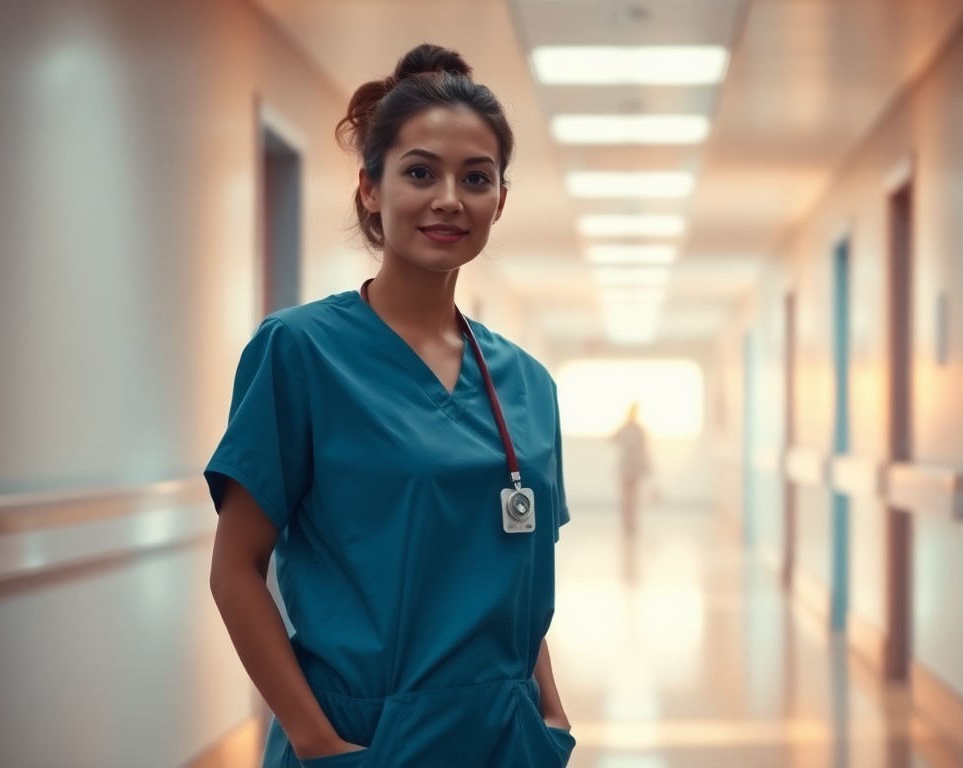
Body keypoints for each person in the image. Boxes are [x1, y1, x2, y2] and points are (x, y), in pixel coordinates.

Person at [205, 44, 574, 768]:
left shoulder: (529, 383)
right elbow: (235, 570)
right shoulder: (301, 352)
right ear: (370, 188)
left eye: (476, 177)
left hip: (509, 737)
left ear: (500, 201)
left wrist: (550, 714)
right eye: (420, 172)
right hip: (366, 740)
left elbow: (516, 582)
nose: (449, 199)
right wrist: (317, 742)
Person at [611, 402, 651, 537]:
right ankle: (627, 521)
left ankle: (631, 521)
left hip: (634, 466)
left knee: (632, 496)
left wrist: (647, 466)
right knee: (627, 496)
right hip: (628, 466)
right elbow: (612, 439)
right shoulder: (628, 428)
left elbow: (644, 450)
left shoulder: (637, 430)